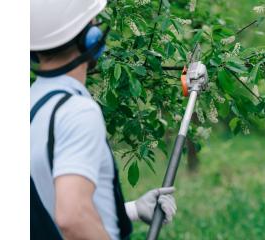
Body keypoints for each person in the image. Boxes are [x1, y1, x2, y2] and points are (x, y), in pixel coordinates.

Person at [30, 0, 177, 239]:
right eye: (93, 21)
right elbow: (72, 216)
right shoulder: (76, 111)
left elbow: (42, 202)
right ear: (88, 36)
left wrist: (130, 210)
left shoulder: (33, 104)